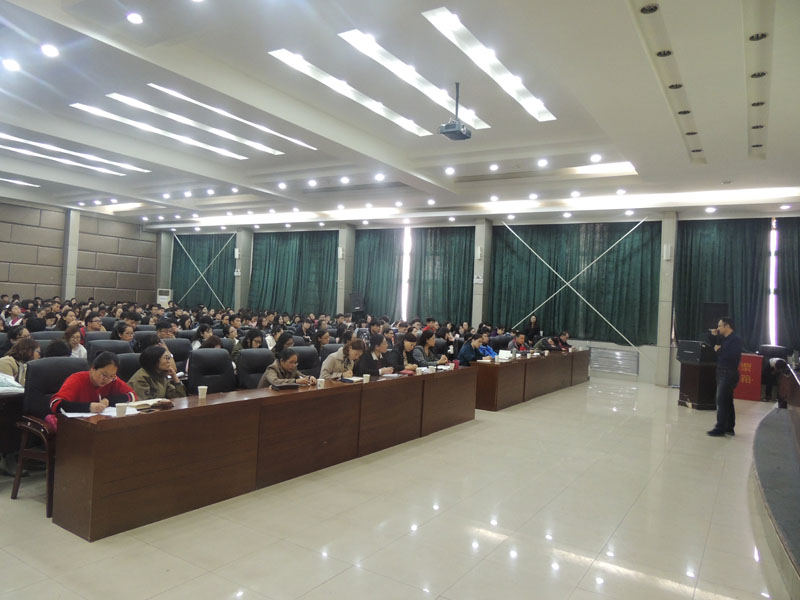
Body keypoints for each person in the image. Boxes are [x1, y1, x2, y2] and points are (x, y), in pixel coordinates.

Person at [50, 352, 136, 414]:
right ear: (93, 369)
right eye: (104, 375)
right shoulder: (77, 380)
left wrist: (109, 400)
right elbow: (55, 404)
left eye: (112, 376)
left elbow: (132, 395)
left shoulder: (112, 380)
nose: (107, 380)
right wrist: (89, 407)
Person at [707, 316, 743, 437]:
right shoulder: (724, 339)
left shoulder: (735, 339)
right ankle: (729, 427)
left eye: (719, 326)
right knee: (727, 400)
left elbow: (730, 356)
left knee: (721, 399)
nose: (717, 328)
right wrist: (713, 337)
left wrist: (719, 350)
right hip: (721, 371)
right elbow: (715, 348)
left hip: (729, 373)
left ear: (727, 326)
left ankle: (720, 428)